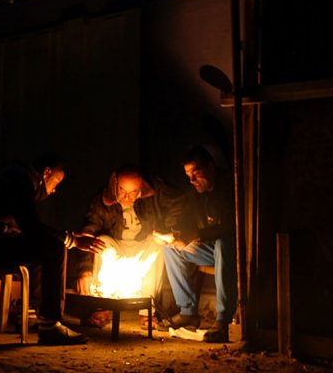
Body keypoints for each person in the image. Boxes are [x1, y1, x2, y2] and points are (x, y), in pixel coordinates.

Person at [0, 153, 106, 345]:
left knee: (43, 248)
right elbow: (32, 228)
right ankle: (50, 326)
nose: (53, 191)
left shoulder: (12, 177)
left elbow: (23, 226)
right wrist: (72, 241)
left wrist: (70, 236)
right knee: (54, 248)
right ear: (46, 173)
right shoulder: (19, 181)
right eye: (56, 183)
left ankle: (35, 313)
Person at [73, 166, 174, 328]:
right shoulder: (102, 201)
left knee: (158, 245)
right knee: (101, 241)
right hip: (117, 246)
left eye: (133, 192)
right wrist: (84, 270)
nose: (127, 197)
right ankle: (101, 308)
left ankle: (148, 313)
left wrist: (170, 230)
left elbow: (177, 202)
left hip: (142, 246)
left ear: (141, 188)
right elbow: (87, 232)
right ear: (114, 185)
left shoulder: (150, 197)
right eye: (122, 191)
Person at [158, 145, 237, 343]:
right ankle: (187, 312)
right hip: (212, 250)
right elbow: (182, 214)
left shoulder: (229, 188)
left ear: (210, 167)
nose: (192, 180)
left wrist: (196, 233)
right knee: (171, 248)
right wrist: (173, 232)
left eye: (196, 173)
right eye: (188, 175)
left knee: (223, 243)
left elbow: (231, 227)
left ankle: (223, 320)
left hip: (236, 249)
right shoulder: (195, 195)